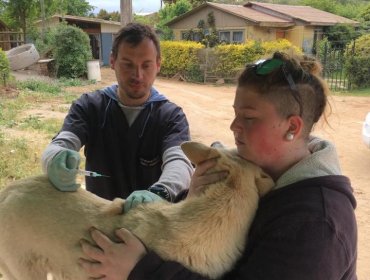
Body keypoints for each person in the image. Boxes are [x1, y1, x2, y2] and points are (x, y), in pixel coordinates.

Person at [78, 51, 357, 280]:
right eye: (235, 114)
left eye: (249, 118)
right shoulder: (245, 169)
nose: (234, 127)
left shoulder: (317, 225)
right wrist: (188, 199)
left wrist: (141, 269)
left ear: (292, 127)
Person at [42, 23, 194, 209]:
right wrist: (54, 158)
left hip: (150, 224)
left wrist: (162, 192)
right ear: (112, 61)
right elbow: (62, 142)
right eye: (128, 64)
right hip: (99, 221)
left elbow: (179, 162)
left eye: (146, 65)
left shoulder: (171, 117)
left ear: (158, 65)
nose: (138, 75)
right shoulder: (90, 106)